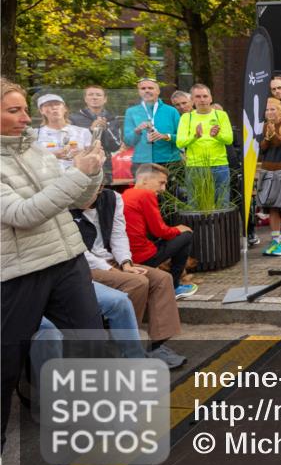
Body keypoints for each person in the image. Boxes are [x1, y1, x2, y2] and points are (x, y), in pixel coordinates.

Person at [0, 77, 106, 446]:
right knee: (7, 365)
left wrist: (92, 171)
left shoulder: (35, 150)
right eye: (14, 111)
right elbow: (24, 213)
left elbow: (78, 200)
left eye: (24, 109)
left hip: (67, 261)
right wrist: (77, 174)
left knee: (92, 342)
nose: (26, 118)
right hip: (19, 274)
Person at [72, 187, 185, 368]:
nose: (85, 194)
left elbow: (118, 234)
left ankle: (157, 345)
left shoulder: (112, 198)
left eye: (92, 189)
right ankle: (127, 344)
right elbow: (78, 251)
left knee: (162, 279)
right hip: (83, 266)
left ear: (100, 188)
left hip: (112, 260)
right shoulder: (64, 204)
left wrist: (126, 263)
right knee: (138, 282)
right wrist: (111, 270)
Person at [123, 163, 197, 298]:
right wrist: (178, 229)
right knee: (186, 235)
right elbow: (160, 231)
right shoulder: (145, 194)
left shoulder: (127, 193)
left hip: (128, 256)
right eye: (161, 183)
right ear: (144, 180)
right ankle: (174, 287)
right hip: (142, 257)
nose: (163, 189)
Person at [176, 84, 234, 205]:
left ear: (211, 98)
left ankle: (220, 225)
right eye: (198, 96)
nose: (202, 99)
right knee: (195, 204)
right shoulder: (186, 117)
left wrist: (217, 135)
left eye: (205, 96)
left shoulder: (221, 115)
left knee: (222, 203)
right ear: (192, 100)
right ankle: (198, 225)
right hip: (195, 166)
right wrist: (195, 136)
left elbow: (229, 140)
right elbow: (179, 142)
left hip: (219, 165)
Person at [258, 97, 281, 256]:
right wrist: (268, 137)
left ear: (280, 109)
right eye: (267, 109)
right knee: (272, 206)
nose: (270, 112)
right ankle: (275, 239)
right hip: (268, 170)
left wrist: (274, 136)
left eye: (273, 109)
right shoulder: (263, 126)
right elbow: (262, 149)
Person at [123, 78, 181, 179]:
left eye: (150, 88)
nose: (147, 90)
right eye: (143, 88)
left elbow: (182, 138)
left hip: (168, 161)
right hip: (141, 161)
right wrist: (137, 131)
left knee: (168, 194)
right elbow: (128, 141)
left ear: (158, 91)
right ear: (139, 92)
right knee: (144, 194)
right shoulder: (131, 112)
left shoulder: (171, 111)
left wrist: (166, 136)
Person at [69, 84, 122, 180]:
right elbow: (71, 143)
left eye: (98, 95)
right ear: (85, 99)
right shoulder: (74, 118)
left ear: (105, 99)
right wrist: (90, 130)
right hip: (81, 164)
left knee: (104, 193)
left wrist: (106, 130)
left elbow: (115, 146)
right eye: (90, 94)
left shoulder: (113, 118)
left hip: (105, 166)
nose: (94, 97)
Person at [34, 93, 93, 170]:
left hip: (78, 177)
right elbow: (29, 161)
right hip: (48, 178)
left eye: (57, 104)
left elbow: (95, 157)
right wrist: (52, 156)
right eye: (48, 105)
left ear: (65, 109)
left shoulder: (83, 132)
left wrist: (83, 152)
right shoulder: (35, 134)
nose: (54, 107)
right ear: (41, 111)